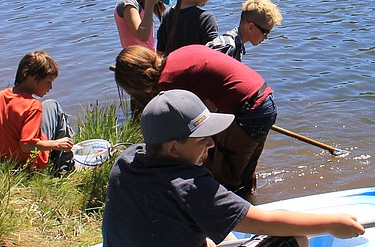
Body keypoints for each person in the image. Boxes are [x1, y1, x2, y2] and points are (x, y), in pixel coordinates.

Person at [101, 89, 364, 247]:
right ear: (173, 147)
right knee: (294, 242)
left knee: (220, 237)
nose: (212, 144)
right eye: (202, 139)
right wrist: (332, 224)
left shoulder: (127, 162)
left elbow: (156, 213)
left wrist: (199, 234)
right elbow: (263, 220)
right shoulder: (190, 185)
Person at [112, 44, 276, 196]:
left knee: (225, 178)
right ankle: (250, 207)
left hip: (249, 110)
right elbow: (207, 107)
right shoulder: (175, 58)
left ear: (136, 82)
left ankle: (226, 219)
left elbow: (185, 127)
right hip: (263, 100)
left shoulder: (168, 82)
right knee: (241, 171)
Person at [0, 50, 74, 173]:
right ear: (33, 79)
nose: (50, 87)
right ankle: (63, 168)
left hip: (4, 160)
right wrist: (57, 144)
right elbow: (27, 145)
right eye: (48, 82)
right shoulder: (33, 106)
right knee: (53, 105)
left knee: (48, 105)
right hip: (30, 164)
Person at [207, 0, 282, 61]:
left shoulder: (238, 46)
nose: (266, 37)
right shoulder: (227, 46)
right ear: (250, 27)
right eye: (265, 32)